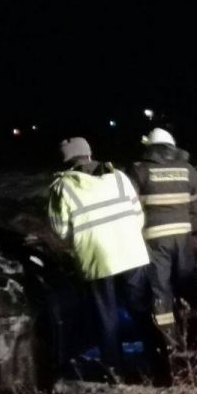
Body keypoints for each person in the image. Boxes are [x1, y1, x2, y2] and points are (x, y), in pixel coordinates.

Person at [48, 137, 150, 375]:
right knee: (141, 311)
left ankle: (115, 370)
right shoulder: (120, 177)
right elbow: (138, 216)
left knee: (106, 317)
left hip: (96, 260)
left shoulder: (62, 186)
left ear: (66, 160)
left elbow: (60, 230)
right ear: (89, 153)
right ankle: (156, 360)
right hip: (133, 254)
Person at [127, 127, 197, 353]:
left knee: (161, 288)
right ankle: (196, 331)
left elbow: (130, 202)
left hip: (154, 238)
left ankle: (168, 341)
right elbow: (195, 196)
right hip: (183, 235)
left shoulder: (138, 170)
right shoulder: (187, 169)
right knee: (187, 282)